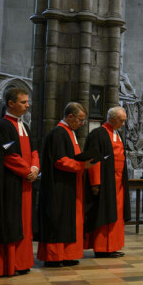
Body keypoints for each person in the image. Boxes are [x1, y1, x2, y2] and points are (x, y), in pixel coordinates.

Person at [0, 87, 40, 278]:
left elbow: (34, 150)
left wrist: (35, 168)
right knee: (9, 223)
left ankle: (22, 262)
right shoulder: (2, 126)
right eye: (24, 102)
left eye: (27, 102)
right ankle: (7, 264)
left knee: (25, 223)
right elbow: (8, 156)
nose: (27, 105)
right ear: (11, 104)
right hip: (9, 184)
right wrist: (27, 171)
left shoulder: (24, 125)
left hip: (25, 182)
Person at [38, 102, 91, 267]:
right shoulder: (58, 133)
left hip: (69, 184)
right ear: (70, 116)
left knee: (68, 221)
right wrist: (82, 166)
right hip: (58, 185)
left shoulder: (69, 132)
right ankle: (54, 257)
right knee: (58, 220)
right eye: (80, 120)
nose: (82, 124)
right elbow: (60, 160)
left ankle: (67, 255)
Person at [85, 107, 130, 258]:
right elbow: (93, 159)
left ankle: (113, 246)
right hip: (106, 182)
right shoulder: (98, 134)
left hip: (118, 183)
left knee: (117, 214)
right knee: (104, 214)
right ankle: (102, 247)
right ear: (111, 118)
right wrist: (95, 182)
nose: (123, 124)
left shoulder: (117, 134)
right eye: (121, 120)